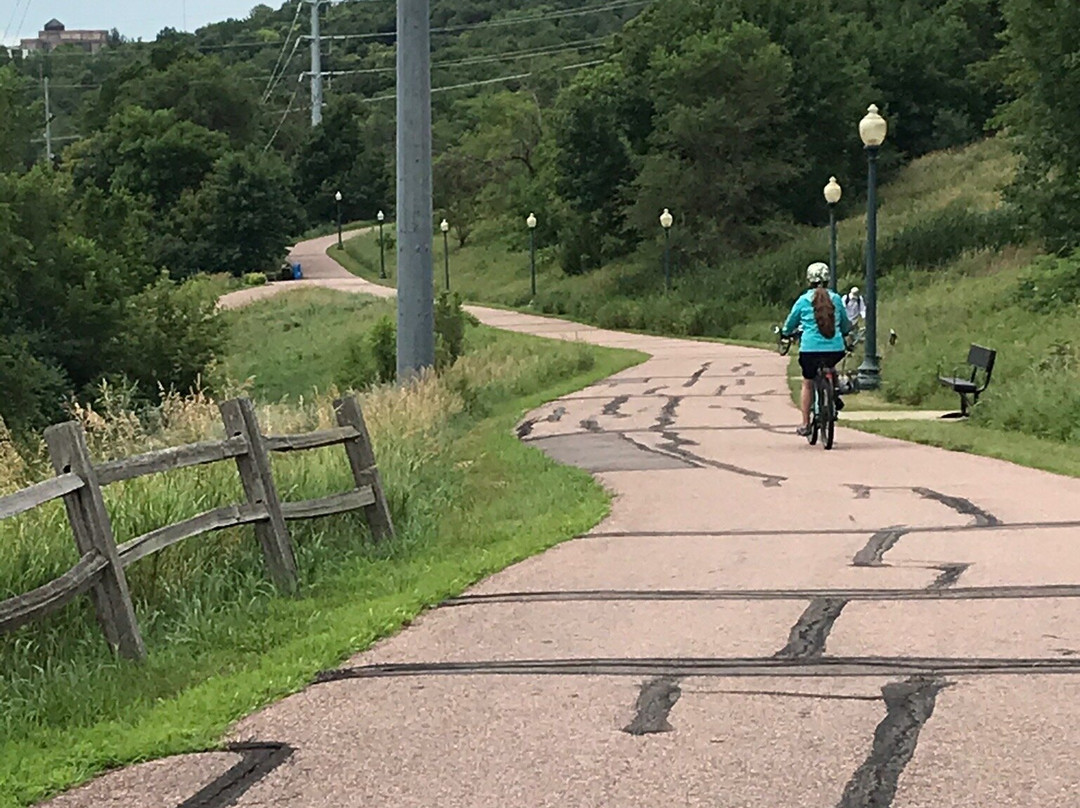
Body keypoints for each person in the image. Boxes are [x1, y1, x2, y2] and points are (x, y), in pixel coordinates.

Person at [781, 262, 853, 437]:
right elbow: (845, 324)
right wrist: (845, 332)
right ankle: (834, 394)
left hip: (810, 350)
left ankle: (806, 424)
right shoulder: (836, 299)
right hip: (835, 349)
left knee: (808, 382)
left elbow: (791, 322)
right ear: (828, 280)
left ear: (809, 280)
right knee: (831, 365)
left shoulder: (803, 300)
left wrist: (785, 332)